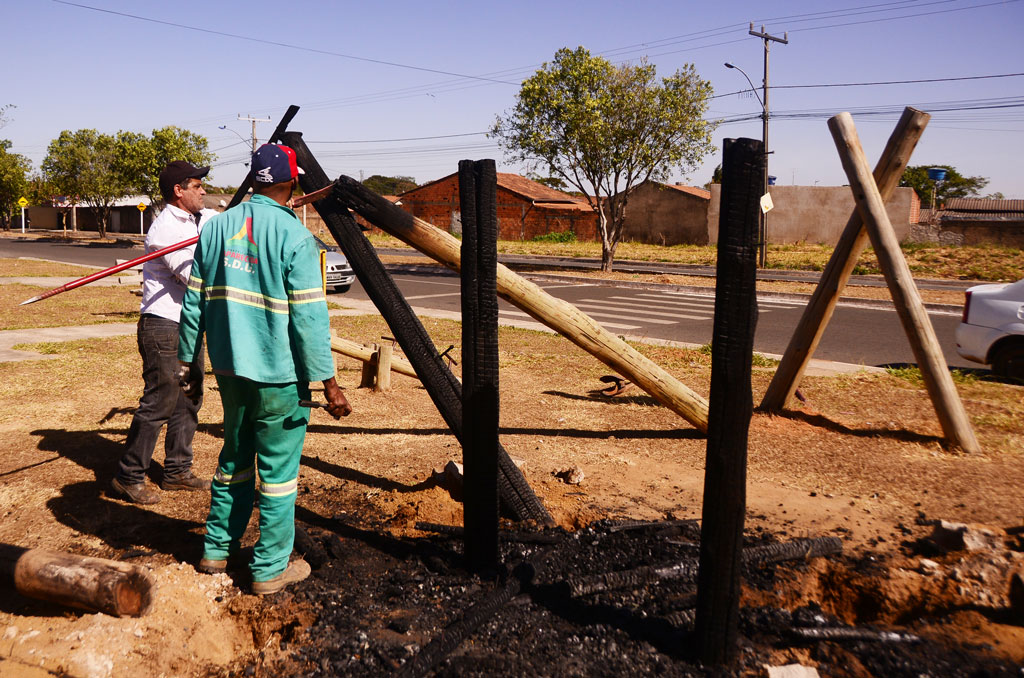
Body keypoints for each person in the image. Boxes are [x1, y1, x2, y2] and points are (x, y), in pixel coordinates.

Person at [177, 144, 352, 595]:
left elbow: (194, 300)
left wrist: (187, 361)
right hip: (279, 378)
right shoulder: (294, 236)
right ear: (291, 183)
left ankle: (216, 549)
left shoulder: (216, 228)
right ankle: (270, 569)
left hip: (231, 371)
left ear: (254, 181)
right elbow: (311, 319)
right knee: (278, 475)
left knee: (233, 458)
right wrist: (330, 383)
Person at [111, 161, 216, 505]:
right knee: (161, 400)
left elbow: (231, 221)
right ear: (179, 190)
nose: (204, 191)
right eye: (197, 185)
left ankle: (177, 472)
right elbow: (193, 278)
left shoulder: (200, 219)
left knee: (189, 396)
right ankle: (129, 476)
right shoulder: (167, 229)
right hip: (163, 324)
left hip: (188, 324)